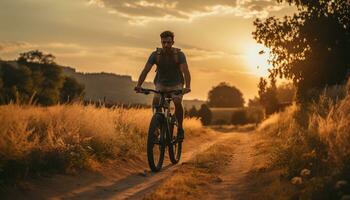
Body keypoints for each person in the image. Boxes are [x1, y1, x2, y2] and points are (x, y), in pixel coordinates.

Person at [135, 30, 191, 141]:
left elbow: (186, 71)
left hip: (177, 84)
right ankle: (156, 126)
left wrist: (187, 87)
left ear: (173, 42)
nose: (166, 45)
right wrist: (139, 85)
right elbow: (146, 70)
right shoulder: (155, 55)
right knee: (156, 101)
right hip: (161, 84)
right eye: (164, 42)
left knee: (177, 102)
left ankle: (180, 128)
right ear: (161, 42)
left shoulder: (179, 55)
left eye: (168, 42)